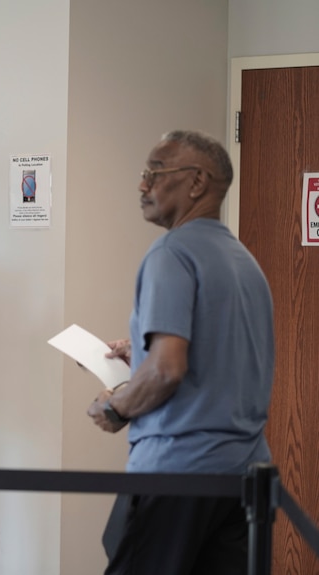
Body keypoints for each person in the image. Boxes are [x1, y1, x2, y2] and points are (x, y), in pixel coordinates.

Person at [87, 131, 275, 575]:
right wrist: (143, 351)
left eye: (155, 172)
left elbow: (169, 369)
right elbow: (224, 356)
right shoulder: (244, 262)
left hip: (177, 473)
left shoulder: (171, 253)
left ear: (196, 183)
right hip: (244, 477)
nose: (142, 185)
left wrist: (115, 407)